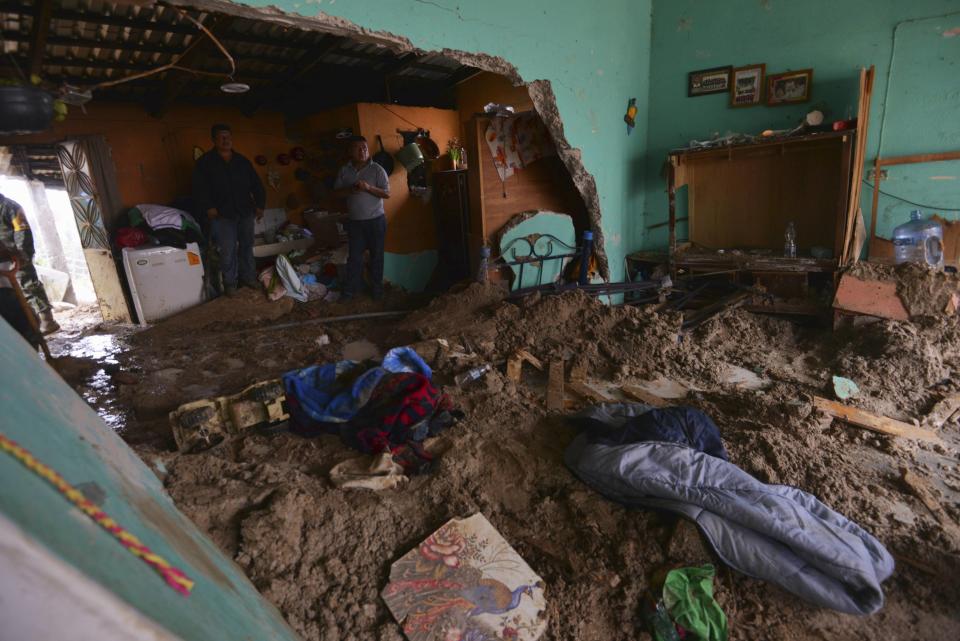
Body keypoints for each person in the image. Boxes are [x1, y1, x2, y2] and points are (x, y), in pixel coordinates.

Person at [192, 123, 266, 296]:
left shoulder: (242, 161)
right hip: (221, 215)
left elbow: (257, 185)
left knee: (247, 246)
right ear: (213, 140)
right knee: (228, 251)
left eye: (228, 137)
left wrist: (260, 205)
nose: (226, 140)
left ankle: (248, 278)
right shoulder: (205, 163)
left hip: (245, 212)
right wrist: (208, 207)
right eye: (221, 137)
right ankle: (230, 284)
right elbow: (199, 189)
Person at [333, 136, 390, 300]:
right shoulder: (345, 170)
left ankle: (377, 290)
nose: (362, 151)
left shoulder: (377, 169)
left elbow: (387, 193)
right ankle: (350, 291)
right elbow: (336, 193)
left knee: (377, 256)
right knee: (354, 258)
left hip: (376, 221)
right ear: (351, 151)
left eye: (364, 147)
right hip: (355, 222)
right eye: (358, 148)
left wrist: (368, 187)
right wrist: (351, 190)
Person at [0, 193, 59, 334]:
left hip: (16, 256)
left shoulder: (10, 206)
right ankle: (29, 323)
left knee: (29, 286)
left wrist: (22, 255)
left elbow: (22, 230)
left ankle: (47, 321)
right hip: (2, 258)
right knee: (10, 293)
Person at [0, 240, 41, 347]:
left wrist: (14, 256)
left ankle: (33, 354)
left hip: (8, 291)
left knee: (31, 322)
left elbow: (21, 258)